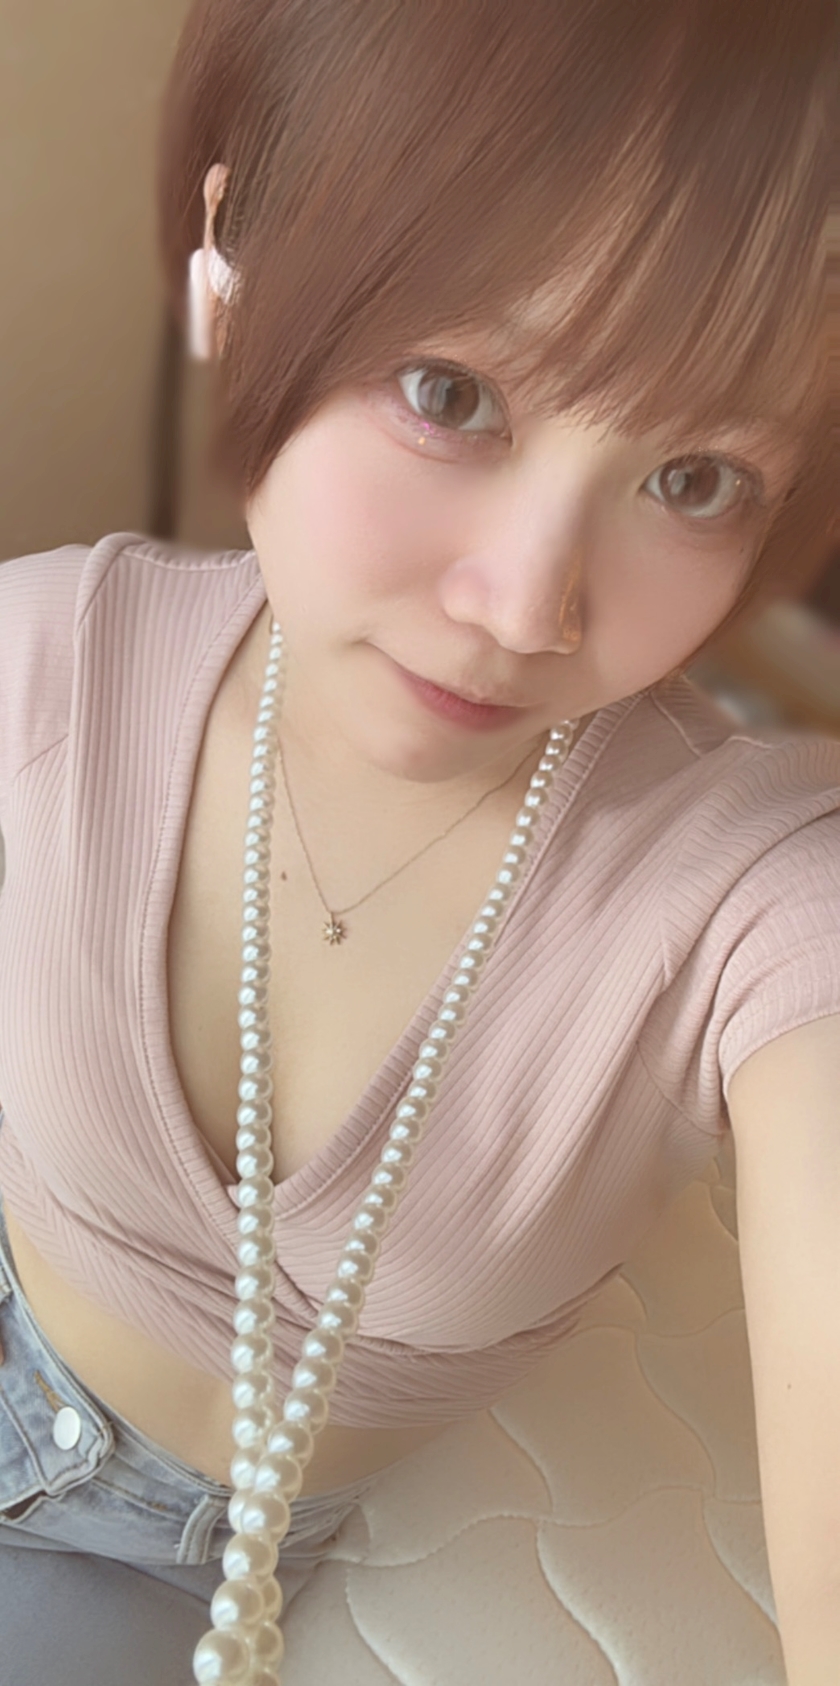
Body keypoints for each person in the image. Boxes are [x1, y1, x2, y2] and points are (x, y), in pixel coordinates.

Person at [1, 1, 839, 1680]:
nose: (528, 608)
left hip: (130, 1548)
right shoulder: (48, 652)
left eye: (695, 478)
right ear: (233, 265)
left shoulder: (752, 894)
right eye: (452, 392)